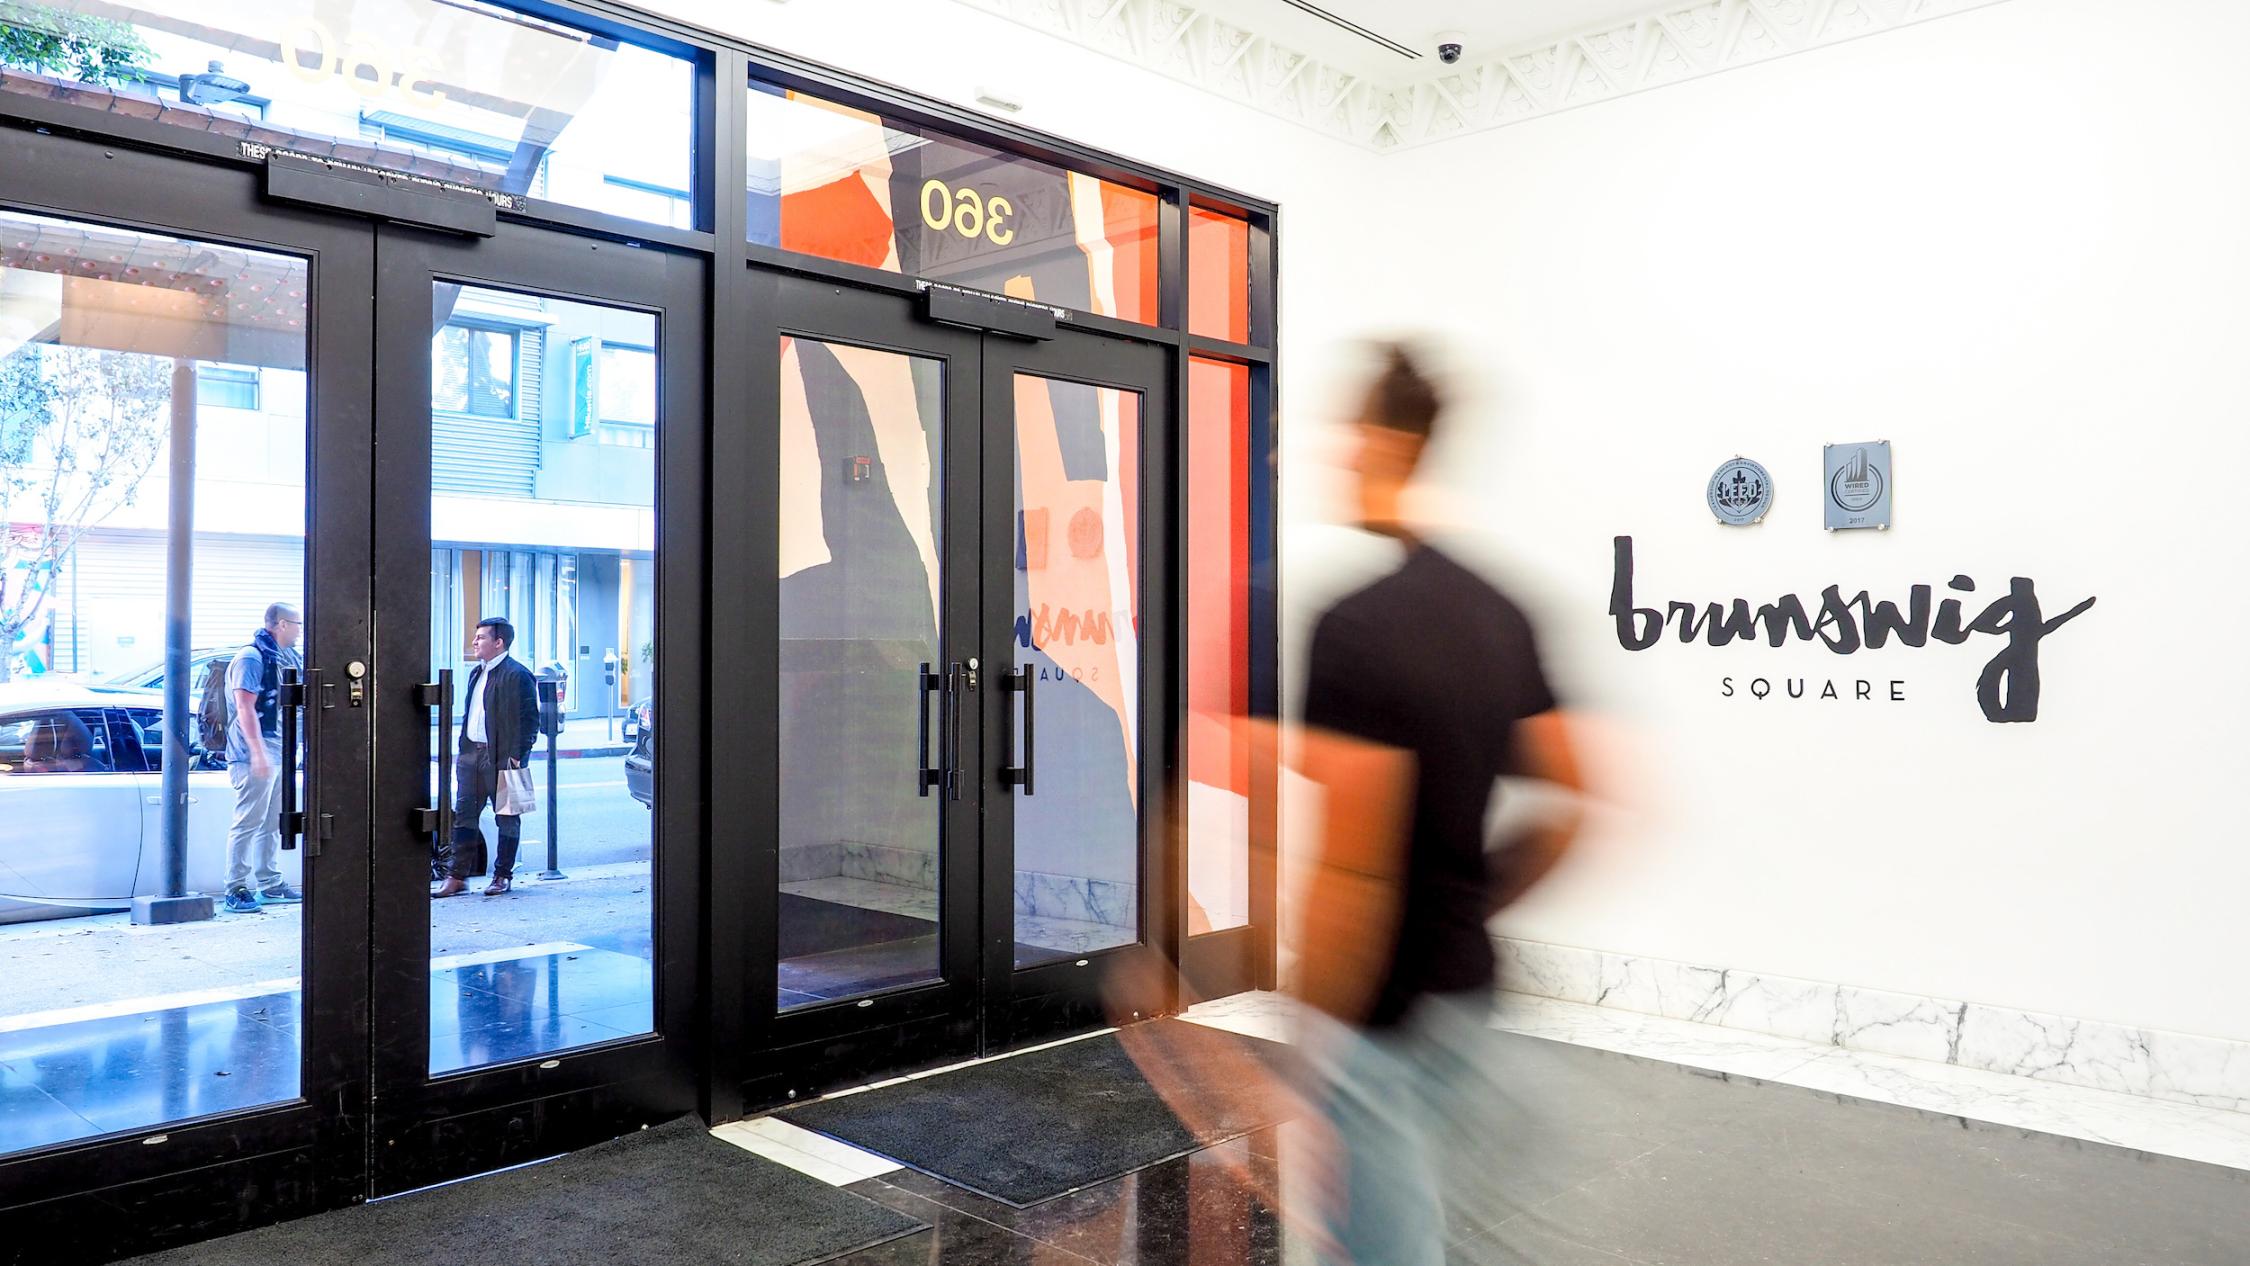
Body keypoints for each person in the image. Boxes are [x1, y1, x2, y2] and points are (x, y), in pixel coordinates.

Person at [1292, 343, 1589, 1264]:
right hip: (1468, 988)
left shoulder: (1355, 628)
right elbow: (1576, 802)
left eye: (1346, 435)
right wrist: (1473, 899)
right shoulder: (1503, 609)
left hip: (1384, 1011)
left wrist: (1315, 1038)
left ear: (1383, 442)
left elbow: (1351, 869)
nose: (1336, 455)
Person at [436, 616, 539, 898]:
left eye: (480, 637)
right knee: (464, 817)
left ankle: (502, 876)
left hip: (504, 759)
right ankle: (457, 876)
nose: (474, 642)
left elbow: (531, 721)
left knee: (507, 817)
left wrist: (518, 757)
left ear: (498, 642)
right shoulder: (476, 673)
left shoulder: (518, 674)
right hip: (471, 756)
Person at [224, 602, 304, 914]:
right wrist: (258, 753)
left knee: (271, 822)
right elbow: (245, 707)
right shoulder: (252, 657)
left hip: (280, 751)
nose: (300, 630)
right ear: (281, 624)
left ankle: (269, 883)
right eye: (296, 624)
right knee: (248, 821)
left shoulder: (287, 657)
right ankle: (236, 887)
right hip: (253, 752)